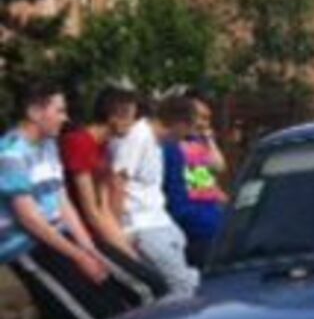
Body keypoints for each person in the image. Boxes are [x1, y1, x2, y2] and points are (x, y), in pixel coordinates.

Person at [1, 85, 139, 319]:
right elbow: (29, 219)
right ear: (35, 112)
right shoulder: (10, 153)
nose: (65, 118)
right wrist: (78, 256)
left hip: (57, 235)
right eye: (59, 111)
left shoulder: (48, 145)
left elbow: (63, 202)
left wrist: (87, 247)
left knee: (116, 296)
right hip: (28, 246)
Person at [59, 90, 166, 303]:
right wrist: (122, 251)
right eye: (130, 118)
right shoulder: (79, 142)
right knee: (148, 288)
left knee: (153, 280)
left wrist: (122, 244)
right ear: (113, 117)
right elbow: (91, 211)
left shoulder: (103, 146)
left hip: (99, 230)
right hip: (81, 235)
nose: (133, 124)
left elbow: (104, 207)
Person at [110, 90, 198, 297]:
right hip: (143, 227)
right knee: (182, 288)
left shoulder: (158, 144)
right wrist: (117, 233)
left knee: (186, 282)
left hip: (161, 223)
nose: (188, 136)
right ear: (179, 123)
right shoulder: (138, 137)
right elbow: (117, 182)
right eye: (189, 128)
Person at [158, 95, 227, 269]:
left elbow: (207, 180)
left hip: (206, 219)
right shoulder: (168, 147)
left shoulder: (194, 144)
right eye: (198, 117)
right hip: (191, 224)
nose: (201, 123)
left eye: (206, 119)